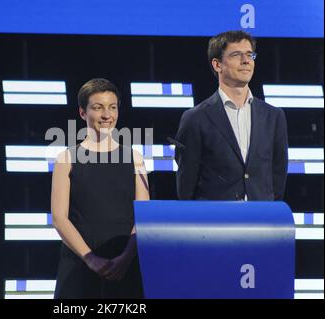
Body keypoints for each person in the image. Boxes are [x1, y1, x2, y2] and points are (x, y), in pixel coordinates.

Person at [51, 78, 150, 298]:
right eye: (98, 107)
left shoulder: (135, 158)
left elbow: (142, 216)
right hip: (79, 268)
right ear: (83, 113)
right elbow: (59, 218)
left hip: (125, 267)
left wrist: (125, 259)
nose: (107, 115)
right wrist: (90, 259)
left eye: (112, 107)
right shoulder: (66, 158)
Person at [174, 30, 288, 201]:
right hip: (215, 223)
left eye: (250, 55)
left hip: (261, 221)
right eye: (236, 55)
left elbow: (277, 179)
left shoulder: (273, 116)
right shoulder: (195, 118)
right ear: (217, 65)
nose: (245, 61)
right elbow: (186, 186)